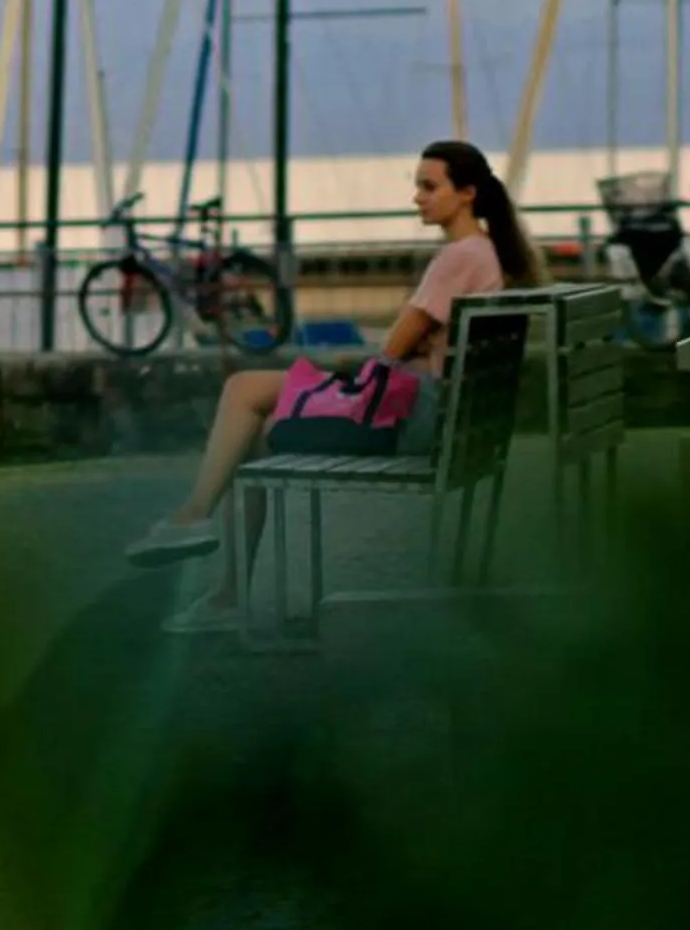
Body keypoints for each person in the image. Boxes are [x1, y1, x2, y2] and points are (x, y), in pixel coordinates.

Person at [125, 141, 542, 614]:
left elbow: (395, 344)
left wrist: (396, 351)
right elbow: (422, 341)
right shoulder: (488, 254)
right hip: (443, 417)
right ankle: (224, 588)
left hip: (413, 419)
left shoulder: (459, 256)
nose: (418, 198)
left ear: (466, 193)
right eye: (417, 187)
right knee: (255, 432)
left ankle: (196, 520)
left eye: (430, 187)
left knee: (243, 390)